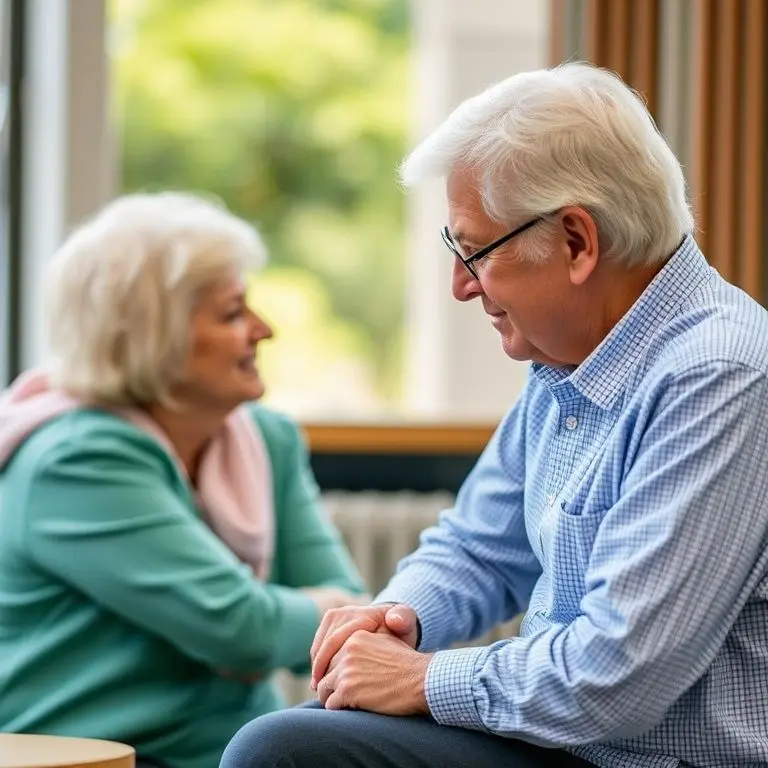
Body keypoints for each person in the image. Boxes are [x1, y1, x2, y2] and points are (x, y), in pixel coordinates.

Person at [219, 62, 768, 768]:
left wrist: (421, 679)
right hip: (577, 747)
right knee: (302, 734)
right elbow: (478, 546)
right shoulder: (569, 358)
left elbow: (617, 677)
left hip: (651, 758)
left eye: (473, 250)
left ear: (575, 242)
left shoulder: (722, 374)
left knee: (284, 751)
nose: (459, 285)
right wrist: (396, 618)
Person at [0, 192, 368, 768]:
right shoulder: (74, 460)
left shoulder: (265, 438)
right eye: (232, 313)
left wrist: (313, 615)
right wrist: (315, 611)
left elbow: (351, 625)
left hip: (237, 751)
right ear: (153, 336)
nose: (263, 330)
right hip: (92, 759)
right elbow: (240, 629)